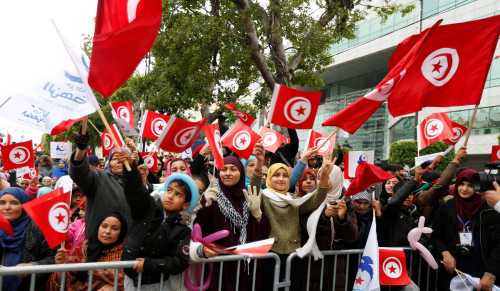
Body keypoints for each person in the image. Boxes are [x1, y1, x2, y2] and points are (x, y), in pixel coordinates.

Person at [192, 152, 270, 291]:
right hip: (219, 268)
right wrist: (204, 205)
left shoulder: (248, 197)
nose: (227, 173)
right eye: (223, 169)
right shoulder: (213, 196)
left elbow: (263, 233)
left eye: (233, 169)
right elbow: (199, 228)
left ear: (241, 172)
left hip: (245, 268)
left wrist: (258, 214)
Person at [122, 159, 195, 290]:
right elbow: (136, 193)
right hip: (130, 281)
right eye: (169, 190)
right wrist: (131, 170)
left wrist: (149, 264)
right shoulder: (148, 209)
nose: (170, 196)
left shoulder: (182, 230)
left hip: (157, 285)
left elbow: (179, 262)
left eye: (178, 194)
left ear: (185, 204)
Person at [70, 126, 132, 263]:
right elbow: (79, 173)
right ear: (109, 162)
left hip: (126, 253)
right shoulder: (99, 178)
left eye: (124, 158)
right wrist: (81, 149)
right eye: (116, 158)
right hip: (97, 251)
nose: (120, 161)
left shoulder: (137, 186)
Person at [432, 167, 499, 290]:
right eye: (461, 184)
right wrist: (445, 253)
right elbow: (436, 235)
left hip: (482, 272)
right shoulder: (447, 207)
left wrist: (491, 272)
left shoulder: (489, 209)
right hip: (454, 269)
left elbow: (498, 244)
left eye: (470, 185)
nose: (464, 189)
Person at [48, 212, 128, 291]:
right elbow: (65, 279)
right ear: (98, 227)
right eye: (104, 226)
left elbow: (121, 280)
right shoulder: (84, 247)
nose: (107, 231)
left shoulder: (124, 253)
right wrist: (62, 265)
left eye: (114, 228)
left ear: (121, 233)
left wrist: (78, 266)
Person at [0, 187, 55, 291]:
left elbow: (52, 258)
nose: (7, 207)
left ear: (24, 205)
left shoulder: (39, 228)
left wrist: (33, 266)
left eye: (14, 203)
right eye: (2, 202)